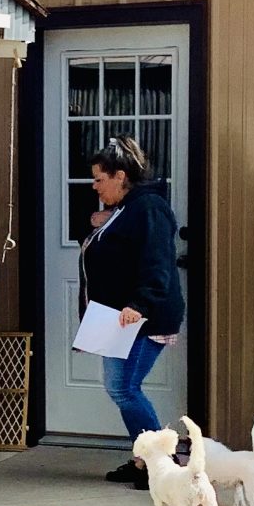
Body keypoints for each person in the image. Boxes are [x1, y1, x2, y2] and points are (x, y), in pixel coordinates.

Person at [78, 136, 184, 485]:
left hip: (141, 316)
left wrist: (139, 304)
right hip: (117, 318)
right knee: (119, 387)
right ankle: (144, 459)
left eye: (99, 179)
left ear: (120, 175)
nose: (95, 186)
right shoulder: (124, 210)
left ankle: (160, 464)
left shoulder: (149, 207)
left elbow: (158, 263)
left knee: (124, 388)